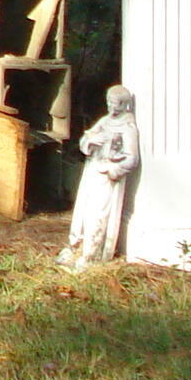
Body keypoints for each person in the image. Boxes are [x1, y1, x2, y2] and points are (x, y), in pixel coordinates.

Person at [60, 84, 139, 269]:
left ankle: (90, 253)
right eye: (109, 103)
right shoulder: (105, 122)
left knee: (98, 214)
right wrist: (89, 141)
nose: (112, 108)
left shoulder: (128, 128)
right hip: (92, 169)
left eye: (115, 104)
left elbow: (132, 159)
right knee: (83, 211)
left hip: (106, 175)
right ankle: (75, 246)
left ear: (124, 105)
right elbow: (86, 139)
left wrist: (112, 169)